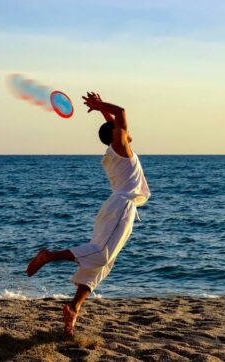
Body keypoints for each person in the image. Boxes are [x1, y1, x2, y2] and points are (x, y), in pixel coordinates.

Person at [26, 91, 150, 336]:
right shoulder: (120, 147)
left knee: (102, 265)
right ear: (117, 135)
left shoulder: (118, 151)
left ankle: (73, 308)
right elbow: (122, 113)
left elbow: (116, 122)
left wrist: (102, 111)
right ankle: (49, 256)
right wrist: (99, 104)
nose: (124, 130)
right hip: (121, 208)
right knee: (102, 255)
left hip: (116, 209)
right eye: (120, 130)